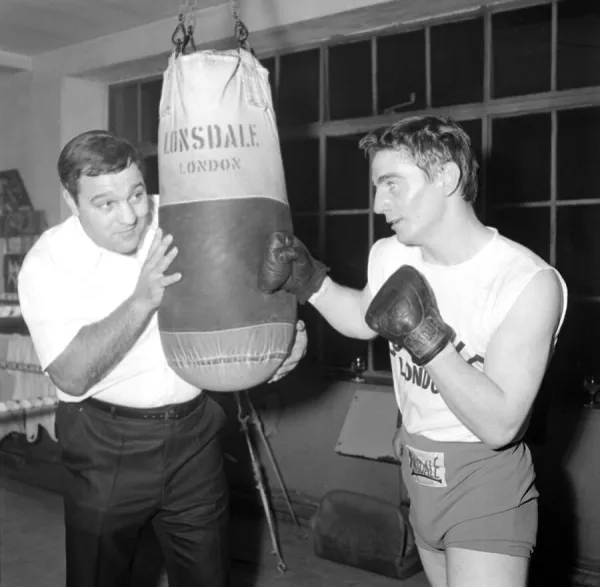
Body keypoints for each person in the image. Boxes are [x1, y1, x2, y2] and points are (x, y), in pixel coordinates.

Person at [258, 115, 568, 587]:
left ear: (446, 177)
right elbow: (363, 317)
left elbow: (501, 423)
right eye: (377, 186)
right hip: (419, 471)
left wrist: (426, 337)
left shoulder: (525, 282)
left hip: (483, 477)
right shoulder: (391, 254)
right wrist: (312, 284)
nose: (379, 203)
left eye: (392, 185)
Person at [17, 129, 307, 587]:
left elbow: (244, 285)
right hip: (106, 444)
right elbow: (71, 376)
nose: (130, 215)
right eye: (106, 204)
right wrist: (141, 300)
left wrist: (283, 342)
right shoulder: (48, 263)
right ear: (73, 203)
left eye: (135, 194)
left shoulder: (175, 216)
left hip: (196, 436)